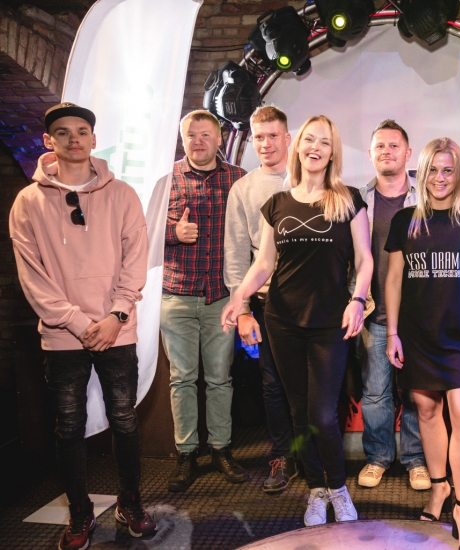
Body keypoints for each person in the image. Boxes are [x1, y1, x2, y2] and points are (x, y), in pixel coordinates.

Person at [10, 102, 155, 549]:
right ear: (48, 140)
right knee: (69, 426)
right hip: (61, 336)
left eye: (81, 131)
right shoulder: (28, 202)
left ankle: (131, 502)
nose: (73, 139)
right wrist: (76, 321)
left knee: (125, 420)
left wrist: (115, 317)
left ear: (94, 139)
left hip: (117, 330)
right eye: (63, 132)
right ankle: (79, 511)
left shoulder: (123, 194)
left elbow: (136, 260)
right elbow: (32, 276)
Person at [221, 115, 372, 526]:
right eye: (309, 140)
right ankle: (315, 490)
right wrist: (239, 298)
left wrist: (358, 299)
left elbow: (365, 260)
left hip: (329, 323)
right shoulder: (277, 204)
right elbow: (263, 264)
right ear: (298, 146)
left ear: (332, 151)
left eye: (324, 142)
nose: (315, 148)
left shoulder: (349, 199)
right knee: (299, 413)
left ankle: (338, 488)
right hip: (282, 320)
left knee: (322, 414)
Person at [384, 137, 460, 550]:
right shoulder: (405, 220)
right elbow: (393, 279)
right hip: (417, 334)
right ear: (423, 173)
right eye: (432, 169)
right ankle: (439, 488)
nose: (439, 177)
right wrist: (392, 333)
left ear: (459, 174)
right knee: (428, 411)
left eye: (448, 170)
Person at [162, 110, 248, 492]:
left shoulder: (238, 178)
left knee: (219, 379)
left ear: (219, 139)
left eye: (205, 135)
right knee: (181, 379)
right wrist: (173, 232)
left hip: (221, 298)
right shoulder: (166, 179)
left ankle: (220, 449)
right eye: (191, 135)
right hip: (176, 294)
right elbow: (140, 230)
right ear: (183, 140)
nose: (198, 141)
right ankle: (185, 454)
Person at [224, 105, 297, 494]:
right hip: (268, 303)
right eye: (258, 137)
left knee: (317, 385)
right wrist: (243, 311)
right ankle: (283, 457)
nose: (265, 143)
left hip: (314, 302)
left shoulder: (311, 180)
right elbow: (237, 255)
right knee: (273, 384)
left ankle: (316, 457)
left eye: (272, 135)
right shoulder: (244, 189)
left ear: (288, 138)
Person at [357, 120, 429, 490]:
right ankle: (378, 457)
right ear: (370, 154)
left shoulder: (426, 196)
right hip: (373, 313)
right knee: (375, 393)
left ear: (408, 153)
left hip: (416, 314)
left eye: (394, 146)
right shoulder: (359, 200)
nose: (387, 152)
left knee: (416, 390)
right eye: (380, 146)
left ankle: (417, 460)